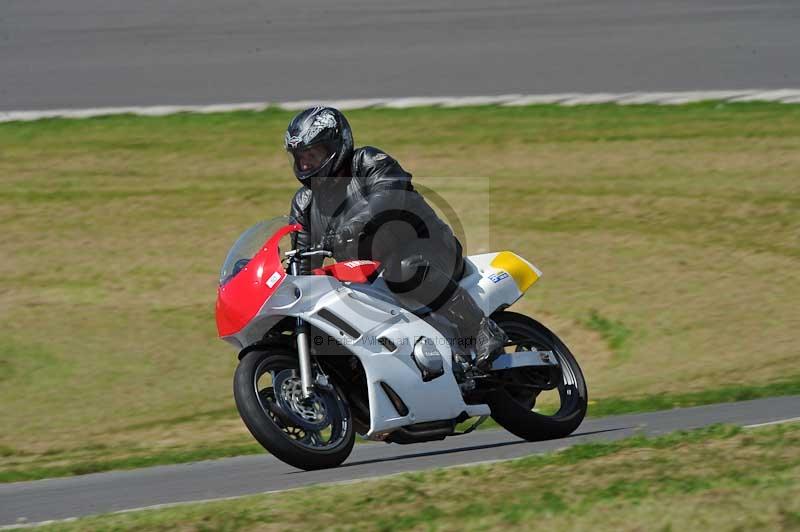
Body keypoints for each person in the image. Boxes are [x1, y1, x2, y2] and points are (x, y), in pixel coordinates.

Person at [285, 106, 507, 371]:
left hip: (428, 251)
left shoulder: (368, 162)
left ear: (336, 145)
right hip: (368, 276)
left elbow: (387, 197)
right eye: (300, 157)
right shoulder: (305, 203)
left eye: (312, 154)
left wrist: (354, 225)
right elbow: (302, 259)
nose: (306, 164)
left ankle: (482, 330)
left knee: (404, 270)